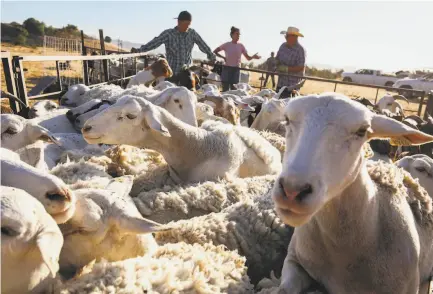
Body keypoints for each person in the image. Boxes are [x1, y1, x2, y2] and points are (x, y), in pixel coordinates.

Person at [139, 11, 216, 79]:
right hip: (171, 73)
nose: (187, 27)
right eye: (185, 25)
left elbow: (203, 45)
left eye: (189, 25)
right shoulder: (168, 34)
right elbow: (154, 43)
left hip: (187, 74)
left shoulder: (192, 33)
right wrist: (140, 50)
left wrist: (211, 56)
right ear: (178, 22)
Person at [213, 26, 260, 92]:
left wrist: (253, 57)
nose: (238, 36)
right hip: (227, 69)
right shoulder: (226, 45)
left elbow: (248, 58)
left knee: (234, 91)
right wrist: (223, 57)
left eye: (239, 34)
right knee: (225, 90)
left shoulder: (241, 46)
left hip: (236, 70)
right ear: (232, 35)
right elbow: (215, 51)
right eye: (237, 34)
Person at [275, 26, 306, 98]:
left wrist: (286, 69)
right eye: (286, 35)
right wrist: (277, 63)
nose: (285, 37)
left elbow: (301, 67)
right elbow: (277, 58)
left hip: (292, 86)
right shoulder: (282, 46)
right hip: (281, 83)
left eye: (288, 35)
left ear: (295, 37)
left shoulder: (300, 50)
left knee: (288, 107)